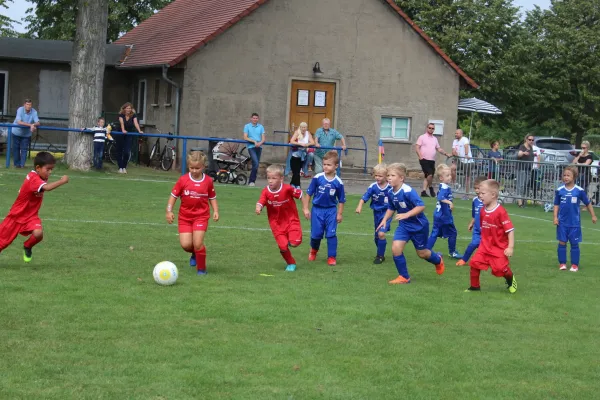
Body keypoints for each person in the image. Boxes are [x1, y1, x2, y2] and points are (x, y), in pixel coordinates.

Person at [376, 163, 445, 284]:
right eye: (388, 175)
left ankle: (438, 260)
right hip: (404, 226)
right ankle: (404, 277)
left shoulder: (408, 191)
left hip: (419, 226)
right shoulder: (391, 192)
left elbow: (421, 206)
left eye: (392, 175)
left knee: (422, 253)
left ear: (401, 178)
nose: (389, 178)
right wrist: (384, 220)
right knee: (396, 248)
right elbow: (391, 207)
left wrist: (406, 214)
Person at [0, 152, 68, 261]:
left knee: (38, 234)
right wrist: (62, 181)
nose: (50, 172)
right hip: (16, 215)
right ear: (38, 168)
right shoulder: (34, 178)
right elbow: (47, 188)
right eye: (48, 169)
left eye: (52, 169)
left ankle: (27, 246)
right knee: (2, 243)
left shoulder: (39, 175)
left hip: (31, 216)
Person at [166, 151, 219, 275]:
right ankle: (195, 253)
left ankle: (201, 269)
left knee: (198, 243)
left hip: (201, 216)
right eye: (191, 168)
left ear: (203, 167)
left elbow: (212, 197)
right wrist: (169, 211)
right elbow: (173, 196)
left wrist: (215, 211)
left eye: (197, 168)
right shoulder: (183, 180)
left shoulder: (208, 181)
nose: (194, 170)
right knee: (186, 245)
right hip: (185, 217)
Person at [466, 179, 517, 293]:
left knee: (500, 269)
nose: (480, 196)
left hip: (498, 247)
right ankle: (474, 287)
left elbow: (510, 230)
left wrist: (510, 247)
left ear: (493, 195)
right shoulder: (483, 210)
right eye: (479, 193)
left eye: (483, 193)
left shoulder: (501, 212)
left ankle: (509, 278)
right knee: (475, 263)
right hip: (484, 246)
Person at [256, 164, 309, 272]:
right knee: (283, 246)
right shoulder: (265, 191)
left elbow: (301, 195)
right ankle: (291, 263)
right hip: (276, 224)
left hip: (291, 219)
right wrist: (258, 207)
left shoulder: (287, 189)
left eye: (274, 178)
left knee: (294, 242)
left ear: (281, 179)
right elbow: (261, 201)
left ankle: (293, 239)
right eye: (268, 178)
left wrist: (305, 209)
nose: (270, 181)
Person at [304, 150, 346, 266]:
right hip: (317, 210)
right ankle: (314, 250)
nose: (326, 167)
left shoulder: (338, 182)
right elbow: (309, 193)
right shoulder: (317, 178)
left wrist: (339, 213)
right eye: (324, 164)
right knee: (316, 234)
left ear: (336, 166)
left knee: (331, 234)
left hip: (331, 211)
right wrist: (306, 209)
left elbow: (341, 200)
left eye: (329, 165)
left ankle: (332, 257)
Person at [553, 165, 597, 272]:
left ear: (574, 177)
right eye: (564, 175)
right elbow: (556, 205)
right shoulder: (560, 190)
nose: (566, 177)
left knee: (574, 244)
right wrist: (555, 217)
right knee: (562, 242)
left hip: (574, 223)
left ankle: (574, 265)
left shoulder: (579, 190)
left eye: (568, 175)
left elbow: (588, 203)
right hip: (562, 223)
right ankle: (562, 263)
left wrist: (593, 215)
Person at [355, 163, 392, 264]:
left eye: (380, 176)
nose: (377, 178)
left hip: (387, 213)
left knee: (381, 233)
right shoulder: (373, 187)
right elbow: (364, 197)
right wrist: (359, 206)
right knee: (377, 237)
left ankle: (380, 256)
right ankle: (381, 248)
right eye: (376, 175)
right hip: (376, 213)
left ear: (386, 176)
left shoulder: (391, 187)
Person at [426, 164, 462, 258]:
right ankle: (452, 252)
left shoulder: (443, 186)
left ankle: (427, 250)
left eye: (450, 175)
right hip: (444, 216)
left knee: (435, 232)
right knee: (453, 232)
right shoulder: (445, 187)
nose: (450, 177)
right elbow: (440, 197)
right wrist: (449, 203)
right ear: (441, 178)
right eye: (447, 175)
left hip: (438, 214)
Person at [456, 176, 486, 266]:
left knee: (486, 247)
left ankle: (486, 260)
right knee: (473, 244)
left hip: (487, 230)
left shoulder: (489, 201)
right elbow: (475, 214)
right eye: (475, 188)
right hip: (477, 230)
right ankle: (464, 260)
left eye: (478, 188)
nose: (476, 190)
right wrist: (471, 223)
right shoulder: (475, 200)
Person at [415, 123, 450, 197]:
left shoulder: (434, 139)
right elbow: (417, 147)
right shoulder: (422, 137)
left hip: (432, 160)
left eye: (432, 128)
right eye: (430, 128)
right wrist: (420, 157)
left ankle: (423, 191)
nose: (431, 129)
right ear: (427, 128)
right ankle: (431, 188)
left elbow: (438, 148)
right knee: (430, 175)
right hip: (424, 159)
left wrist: (446, 153)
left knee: (427, 176)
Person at [12, 99, 40, 168]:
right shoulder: (20, 110)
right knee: (16, 149)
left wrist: (33, 124)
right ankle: (17, 164)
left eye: (30, 105)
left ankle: (22, 165)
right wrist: (30, 125)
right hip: (16, 132)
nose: (29, 106)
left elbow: (38, 122)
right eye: (27, 104)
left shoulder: (34, 112)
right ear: (24, 105)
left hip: (26, 134)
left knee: (24, 149)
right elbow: (19, 122)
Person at [117, 102, 143, 174]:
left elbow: (136, 123)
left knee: (127, 152)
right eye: (127, 108)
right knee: (119, 151)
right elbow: (122, 123)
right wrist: (123, 130)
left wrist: (139, 130)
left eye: (130, 108)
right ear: (124, 108)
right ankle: (120, 167)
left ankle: (124, 167)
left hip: (128, 134)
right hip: (120, 133)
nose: (128, 109)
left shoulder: (133, 115)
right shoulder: (121, 114)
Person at [289, 122, 315, 188]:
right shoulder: (297, 132)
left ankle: (294, 184)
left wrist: (308, 144)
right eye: (302, 127)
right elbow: (292, 141)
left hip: (303, 155)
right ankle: (297, 185)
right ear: (300, 127)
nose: (303, 129)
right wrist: (300, 144)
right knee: (296, 171)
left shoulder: (308, 133)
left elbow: (313, 142)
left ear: (306, 128)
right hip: (296, 154)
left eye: (305, 127)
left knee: (298, 171)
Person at [243, 112, 265, 186]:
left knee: (256, 164)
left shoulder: (261, 127)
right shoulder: (247, 126)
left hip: (259, 147)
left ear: (258, 119)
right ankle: (251, 181)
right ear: (251, 118)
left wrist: (260, 143)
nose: (255, 119)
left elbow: (263, 138)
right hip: (251, 146)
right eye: (254, 118)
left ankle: (252, 181)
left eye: (256, 118)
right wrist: (254, 141)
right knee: (255, 162)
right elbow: (245, 137)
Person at [451, 128, 473, 199]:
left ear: (461, 134)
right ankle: (455, 184)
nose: (456, 134)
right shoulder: (455, 141)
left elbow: (466, 146)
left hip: (467, 161)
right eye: (455, 133)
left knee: (467, 178)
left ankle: (466, 194)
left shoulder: (465, 139)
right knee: (452, 168)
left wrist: (466, 154)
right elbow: (453, 150)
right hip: (459, 159)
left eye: (457, 133)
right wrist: (454, 153)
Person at [516, 134, 535, 207]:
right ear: (526, 139)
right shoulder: (522, 146)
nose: (531, 141)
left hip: (528, 169)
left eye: (532, 140)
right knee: (520, 185)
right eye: (530, 139)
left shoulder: (531, 147)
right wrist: (523, 153)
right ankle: (519, 202)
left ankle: (523, 201)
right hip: (521, 168)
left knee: (525, 185)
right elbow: (519, 154)